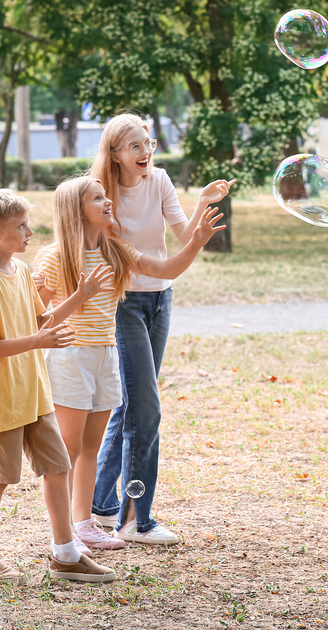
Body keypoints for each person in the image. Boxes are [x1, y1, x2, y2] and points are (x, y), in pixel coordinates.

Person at [34, 175, 226, 551]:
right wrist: (80, 295)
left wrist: (197, 243)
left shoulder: (115, 250)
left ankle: (84, 523)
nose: (108, 202)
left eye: (106, 196)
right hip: (70, 358)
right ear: (77, 211)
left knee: (91, 447)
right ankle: (63, 533)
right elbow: (40, 321)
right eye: (97, 198)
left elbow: (166, 270)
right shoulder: (54, 257)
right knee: (68, 450)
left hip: (105, 355)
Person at [0, 188, 116, 585]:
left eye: (28, 223)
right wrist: (38, 341)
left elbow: (42, 321)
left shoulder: (23, 271)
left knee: (58, 465)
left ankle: (65, 556)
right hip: (3, 398)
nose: (31, 231)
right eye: (21, 226)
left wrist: (79, 297)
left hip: (33, 392)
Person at [89, 112, 232, 545]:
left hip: (160, 299)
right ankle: (136, 521)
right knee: (145, 408)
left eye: (149, 143)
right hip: (124, 303)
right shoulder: (100, 195)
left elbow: (183, 232)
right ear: (114, 153)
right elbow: (145, 256)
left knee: (129, 403)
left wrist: (202, 204)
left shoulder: (160, 179)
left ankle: (99, 502)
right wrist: (191, 244)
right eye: (135, 146)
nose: (146, 152)